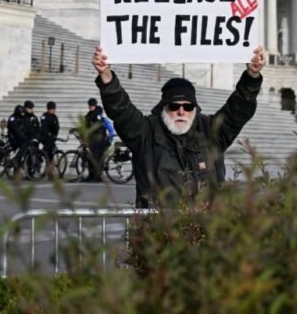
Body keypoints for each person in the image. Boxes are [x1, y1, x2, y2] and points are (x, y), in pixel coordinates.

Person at [91, 45, 266, 207]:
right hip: (159, 227)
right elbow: (122, 111)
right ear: (164, 107)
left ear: (195, 109)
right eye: (174, 106)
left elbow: (238, 110)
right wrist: (106, 76)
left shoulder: (210, 131)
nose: (181, 112)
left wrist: (252, 77)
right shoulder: (145, 132)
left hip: (206, 227)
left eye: (188, 107)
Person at [83, 97, 110, 182]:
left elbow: (97, 126)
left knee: (96, 158)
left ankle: (96, 177)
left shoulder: (98, 114)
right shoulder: (89, 114)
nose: (91, 107)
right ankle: (91, 176)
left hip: (99, 139)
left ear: (95, 105)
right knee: (90, 157)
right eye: (90, 105)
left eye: (92, 105)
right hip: (92, 139)